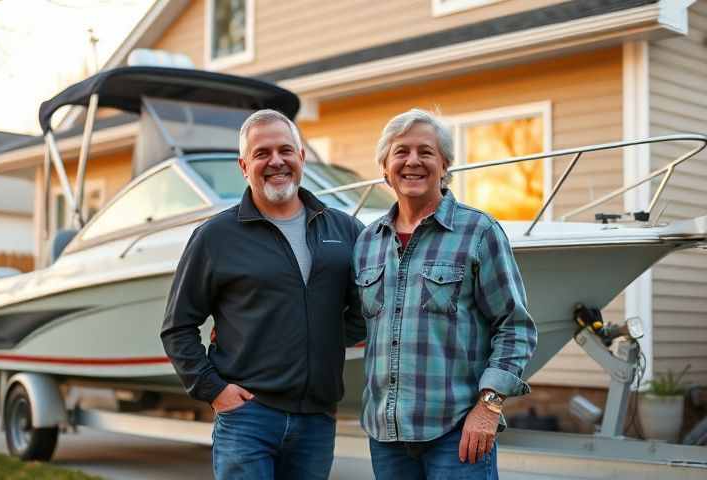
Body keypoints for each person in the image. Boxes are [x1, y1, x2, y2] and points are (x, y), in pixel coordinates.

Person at [160, 109, 365, 480]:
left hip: (317, 419)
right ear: (243, 166)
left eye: (286, 150)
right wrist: (215, 390)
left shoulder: (345, 229)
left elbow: (366, 308)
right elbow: (178, 327)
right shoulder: (216, 237)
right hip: (248, 418)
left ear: (301, 158)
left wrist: (320, 341)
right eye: (262, 153)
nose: (276, 161)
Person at [353, 109, 537, 479]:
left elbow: (515, 328)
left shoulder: (479, 232)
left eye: (426, 152)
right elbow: (354, 326)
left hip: (457, 435)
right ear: (384, 168)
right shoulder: (367, 243)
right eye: (401, 152)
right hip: (386, 437)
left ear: (445, 164)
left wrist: (488, 408)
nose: (413, 161)